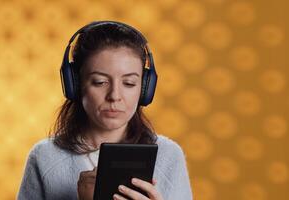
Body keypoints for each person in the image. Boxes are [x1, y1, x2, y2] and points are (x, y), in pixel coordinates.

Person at [17, 21, 192, 200]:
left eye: (129, 83)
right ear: (75, 85)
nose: (115, 96)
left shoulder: (169, 156)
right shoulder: (45, 157)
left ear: (145, 89)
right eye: (100, 82)